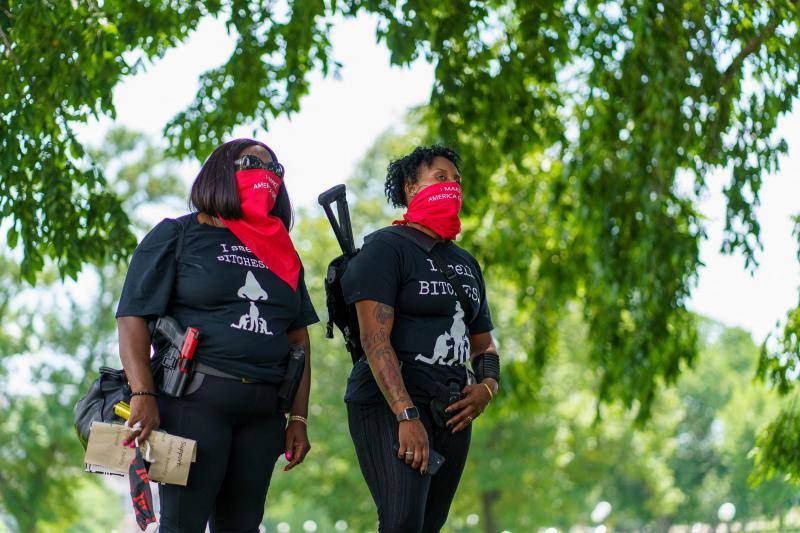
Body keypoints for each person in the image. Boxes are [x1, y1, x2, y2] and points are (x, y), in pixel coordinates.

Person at [115, 139, 318, 532]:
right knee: (182, 525)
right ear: (221, 171)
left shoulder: (283, 252)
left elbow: (298, 340)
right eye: (252, 163)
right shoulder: (178, 234)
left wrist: (298, 418)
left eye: (274, 169)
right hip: (194, 404)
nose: (266, 174)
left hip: (264, 413)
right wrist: (142, 393)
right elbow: (132, 317)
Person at [341, 145, 501, 532]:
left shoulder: (466, 263)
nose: (452, 187)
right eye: (440, 178)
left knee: (430, 524)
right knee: (402, 521)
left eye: (457, 181)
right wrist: (406, 414)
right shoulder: (385, 248)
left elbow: (483, 345)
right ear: (411, 187)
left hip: (453, 408)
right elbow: (374, 339)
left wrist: (487, 388)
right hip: (391, 402)